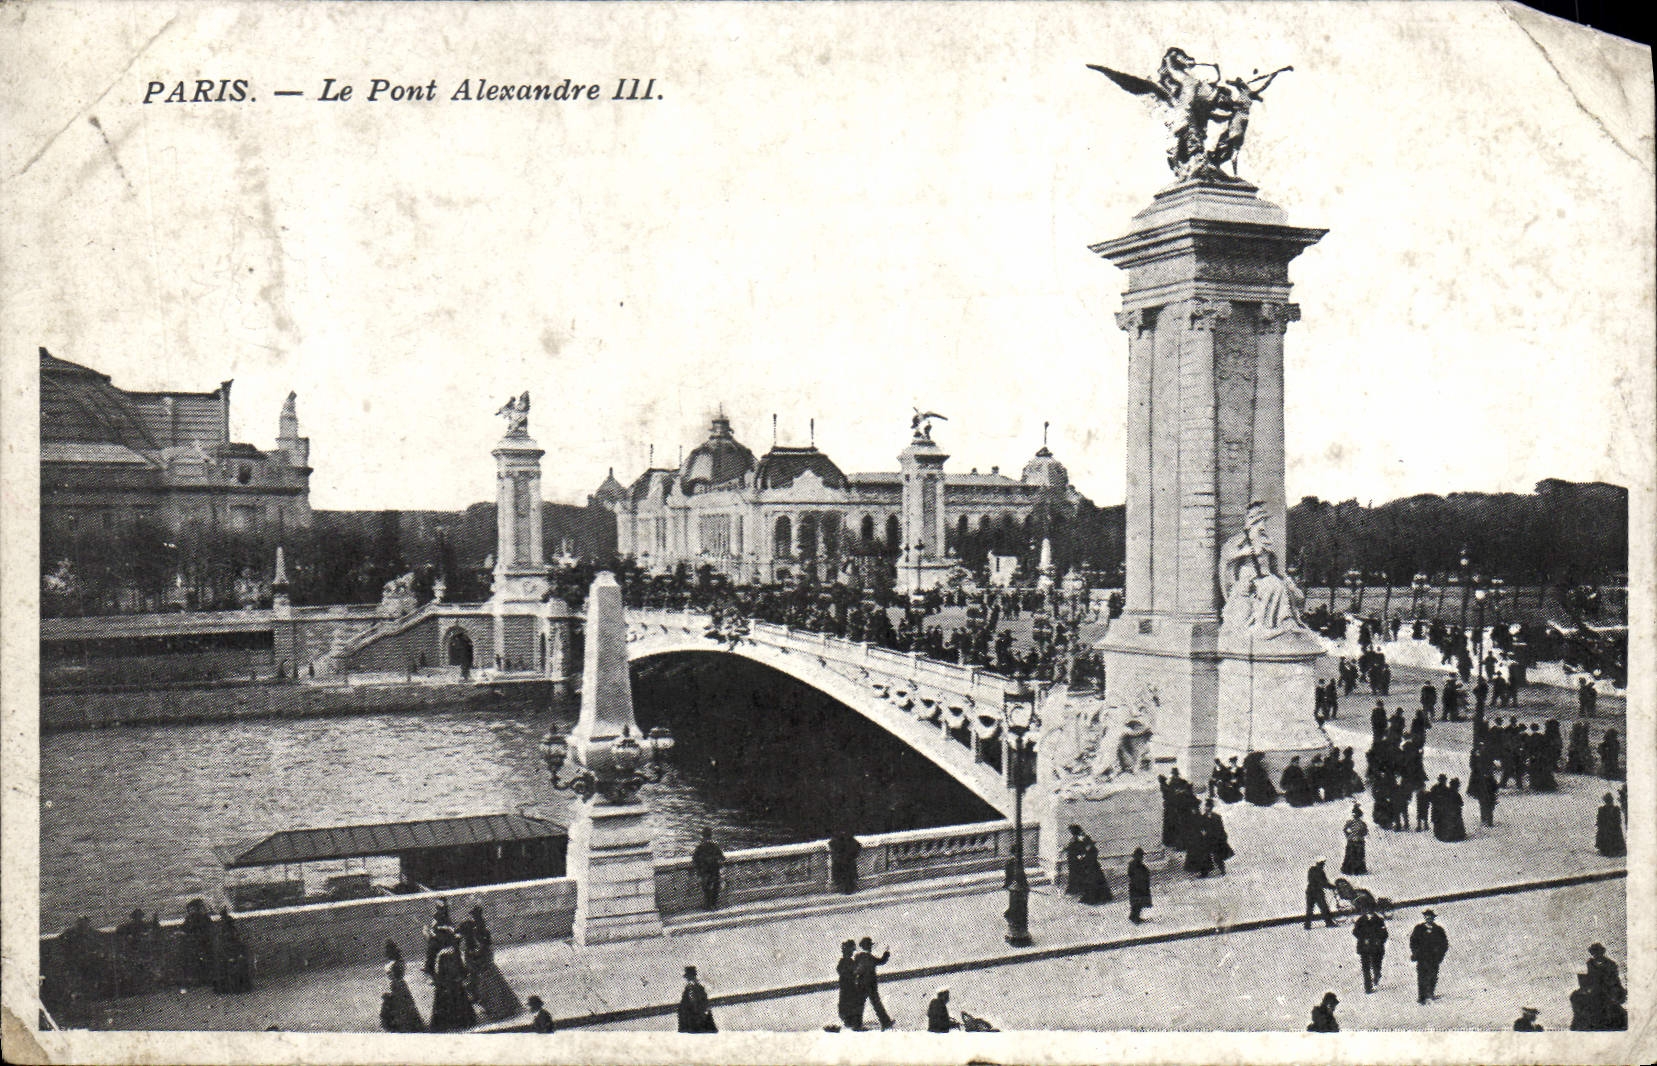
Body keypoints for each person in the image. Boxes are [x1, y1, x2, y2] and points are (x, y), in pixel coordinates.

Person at [461, 906, 520, 1022]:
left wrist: (473, 963)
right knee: (496, 988)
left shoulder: (475, 935)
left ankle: (498, 1011)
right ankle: (504, 1008)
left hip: (483, 968)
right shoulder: (480, 932)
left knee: (489, 991)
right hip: (487, 965)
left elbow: (478, 952)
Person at [427, 927, 476, 1032]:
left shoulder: (443, 953)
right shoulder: (453, 951)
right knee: (458, 999)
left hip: (446, 982)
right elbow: (459, 966)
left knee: (445, 1001)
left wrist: (437, 979)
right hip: (454, 980)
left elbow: (440, 970)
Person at [380, 940, 426, 1032]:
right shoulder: (399, 962)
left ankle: (400, 1024)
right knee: (404, 1004)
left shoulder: (395, 963)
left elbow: (395, 975)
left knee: (400, 1004)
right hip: (400, 984)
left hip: (397, 984)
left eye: (387, 951)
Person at [1408, 909, 1449, 1004]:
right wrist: (1415, 952)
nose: (1428, 919)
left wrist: (1440, 955)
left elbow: (1444, 944)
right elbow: (1413, 941)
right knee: (1421, 976)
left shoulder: (1438, 930)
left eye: (1430, 917)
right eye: (1426, 917)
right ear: (1424, 918)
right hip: (1422, 957)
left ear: (1433, 918)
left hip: (1434, 957)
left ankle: (1430, 993)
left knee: (1433, 975)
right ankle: (1422, 996)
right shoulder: (1418, 929)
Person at [854, 937, 893, 1030]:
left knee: (860, 1005)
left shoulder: (858, 957)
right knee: (877, 1004)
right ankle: (886, 1022)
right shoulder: (870, 957)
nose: (871, 948)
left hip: (861, 985)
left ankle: (857, 1025)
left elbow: (855, 970)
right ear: (868, 947)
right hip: (871, 985)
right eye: (870, 946)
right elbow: (882, 961)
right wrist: (886, 952)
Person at [212, 908, 253, 994]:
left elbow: (240, 944)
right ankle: (232, 987)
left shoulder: (233, 932)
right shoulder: (222, 935)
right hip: (226, 955)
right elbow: (221, 948)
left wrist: (240, 954)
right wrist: (228, 957)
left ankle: (241, 986)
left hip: (235, 953)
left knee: (241, 963)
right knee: (231, 966)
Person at [1353, 902, 1388, 994]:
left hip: (1377, 948)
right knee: (1366, 968)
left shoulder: (1379, 920)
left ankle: (1377, 974)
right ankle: (1368, 987)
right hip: (1364, 948)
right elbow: (1355, 932)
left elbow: (1385, 933)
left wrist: (1379, 940)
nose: (1368, 911)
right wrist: (1363, 938)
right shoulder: (1360, 920)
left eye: (1370, 909)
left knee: (1376, 965)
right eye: (1366, 909)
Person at [691, 828, 725, 910]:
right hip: (714, 870)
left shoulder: (700, 847)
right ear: (711, 836)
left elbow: (695, 859)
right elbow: (722, 858)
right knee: (715, 888)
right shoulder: (714, 846)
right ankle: (714, 904)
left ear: (702, 836)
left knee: (706, 888)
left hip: (704, 871)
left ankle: (708, 905)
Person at [677, 965, 717, 1033]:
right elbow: (704, 1000)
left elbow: (692, 1000)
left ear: (689, 976)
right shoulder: (699, 985)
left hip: (694, 1016)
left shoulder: (690, 987)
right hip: (700, 1014)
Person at [835, 939, 864, 1030]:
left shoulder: (843, 961)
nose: (852, 952)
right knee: (854, 1003)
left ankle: (849, 1021)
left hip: (845, 986)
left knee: (846, 1003)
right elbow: (855, 970)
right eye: (852, 950)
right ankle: (854, 1023)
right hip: (850, 986)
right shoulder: (848, 961)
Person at [1304, 859, 1337, 929]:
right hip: (1317, 892)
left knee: (1309, 909)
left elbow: (1311, 880)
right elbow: (1323, 883)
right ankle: (1329, 922)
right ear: (1321, 864)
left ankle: (1307, 925)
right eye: (1323, 864)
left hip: (1309, 891)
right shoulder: (1320, 872)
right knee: (1324, 908)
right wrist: (1332, 887)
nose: (1323, 865)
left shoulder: (1311, 870)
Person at [1204, 799, 1233, 875]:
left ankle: (1222, 870)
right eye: (1206, 807)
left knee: (1218, 855)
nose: (1207, 808)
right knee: (1205, 855)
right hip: (1207, 839)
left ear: (1211, 808)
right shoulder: (1203, 817)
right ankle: (1205, 872)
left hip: (1216, 839)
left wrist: (1223, 837)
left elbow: (1221, 828)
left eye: (1209, 807)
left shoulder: (1217, 817)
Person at [424, 900, 451, 976]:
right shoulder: (436, 917)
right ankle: (429, 968)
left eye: (441, 908)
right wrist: (433, 932)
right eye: (438, 908)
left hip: (446, 937)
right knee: (431, 947)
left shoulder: (446, 917)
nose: (440, 910)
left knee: (433, 946)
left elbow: (450, 927)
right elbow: (432, 928)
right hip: (438, 937)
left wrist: (444, 928)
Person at [829, 829, 862, 894]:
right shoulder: (850, 839)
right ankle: (848, 888)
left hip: (843, 861)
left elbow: (832, 846)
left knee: (844, 875)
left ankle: (845, 888)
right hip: (847, 861)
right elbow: (858, 847)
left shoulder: (837, 839)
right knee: (848, 875)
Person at [1593, 793, 1626, 857]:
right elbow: (1600, 820)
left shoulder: (1615, 809)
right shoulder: (1602, 809)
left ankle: (1611, 849)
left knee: (1609, 831)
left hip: (1613, 828)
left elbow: (1618, 820)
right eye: (1608, 800)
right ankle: (1608, 849)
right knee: (1605, 831)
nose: (1609, 802)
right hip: (1608, 829)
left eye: (1609, 800)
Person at [1127, 847, 1152, 924]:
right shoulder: (1136, 865)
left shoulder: (1136, 865)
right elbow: (1136, 875)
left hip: (1138, 886)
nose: (1141, 857)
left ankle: (1134, 916)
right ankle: (1135, 917)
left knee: (1138, 903)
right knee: (1137, 903)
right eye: (1140, 855)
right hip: (1137, 887)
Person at [1341, 806, 1369, 875]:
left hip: (1354, 841)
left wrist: (1349, 835)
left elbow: (1345, 829)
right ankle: (1357, 870)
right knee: (1357, 855)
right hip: (1357, 841)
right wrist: (1359, 835)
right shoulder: (1360, 823)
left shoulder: (1352, 822)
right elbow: (1365, 832)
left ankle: (1350, 869)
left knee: (1352, 855)